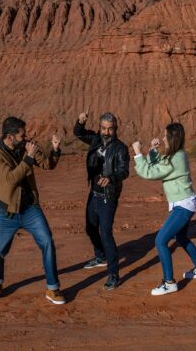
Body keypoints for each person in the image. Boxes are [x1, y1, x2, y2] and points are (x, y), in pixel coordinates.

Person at [0, 116, 66, 305]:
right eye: (22, 135)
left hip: (30, 209)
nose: (26, 137)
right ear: (9, 137)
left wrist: (54, 149)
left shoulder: (26, 146)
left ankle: (53, 288)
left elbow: (48, 164)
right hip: (7, 211)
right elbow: (11, 179)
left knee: (47, 242)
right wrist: (28, 157)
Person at [132, 122, 196, 296]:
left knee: (160, 241)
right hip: (184, 203)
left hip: (183, 206)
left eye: (166, 136)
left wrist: (137, 153)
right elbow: (158, 164)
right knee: (181, 237)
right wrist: (152, 150)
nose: (163, 138)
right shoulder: (177, 155)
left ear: (173, 137)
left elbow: (149, 173)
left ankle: (169, 282)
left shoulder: (176, 159)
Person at [74, 110, 130, 290]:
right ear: (99, 128)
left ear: (116, 129)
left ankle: (114, 274)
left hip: (108, 196)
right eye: (103, 128)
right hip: (94, 193)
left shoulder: (120, 148)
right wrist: (80, 122)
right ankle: (101, 256)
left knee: (105, 233)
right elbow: (79, 133)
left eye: (110, 129)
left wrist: (111, 177)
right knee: (90, 228)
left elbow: (124, 171)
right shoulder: (96, 139)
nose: (106, 132)